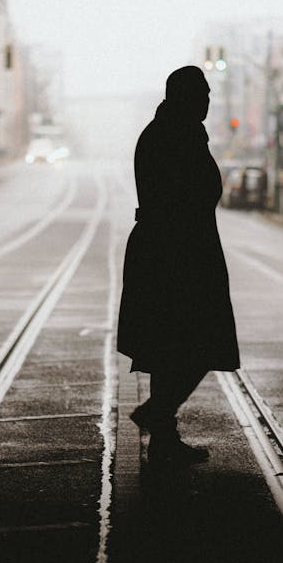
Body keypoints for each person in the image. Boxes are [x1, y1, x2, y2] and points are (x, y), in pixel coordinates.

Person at [117, 66, 240, 464]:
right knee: (194, 341)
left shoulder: (170, 130)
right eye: (202, 93)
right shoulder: (175, 135)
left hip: (174, 249)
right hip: (176, 253)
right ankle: (158, 416)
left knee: (172, 344)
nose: (208, 100)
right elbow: (187, 195)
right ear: (184, 95)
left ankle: (163, 435)